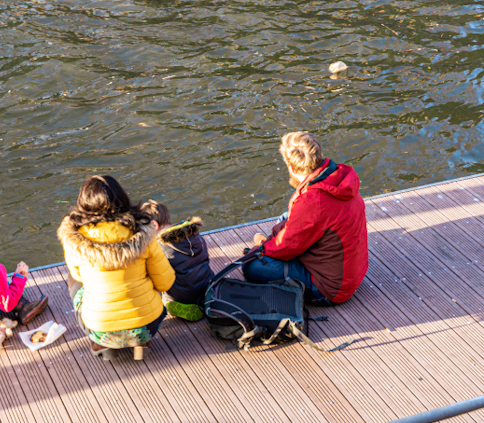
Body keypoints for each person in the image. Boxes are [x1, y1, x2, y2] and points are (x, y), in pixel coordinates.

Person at [243, 131, 368, 305]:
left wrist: (260, 248)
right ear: (320, 156)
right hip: (351, 272)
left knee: (251, 266)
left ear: (292, 168)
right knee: (286, 217)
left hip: (331, 287)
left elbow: (285, 247)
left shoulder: (312, 201)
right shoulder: (340, 178)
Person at [58, 175, 175, 360]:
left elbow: (77, 275)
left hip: (100, 326)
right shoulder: (143, 232)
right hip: (146, 325)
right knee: (151, 275)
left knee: (74, 281)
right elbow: (166, 282)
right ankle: (142, 342)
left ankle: (101, 344)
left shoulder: (75, 238)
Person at [138, 201, 214, 322]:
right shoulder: (195, 235)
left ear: (154, 224)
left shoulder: (160, 247)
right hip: (208, 287)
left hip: (184, 297)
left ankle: (178, 307)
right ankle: (205, 301)